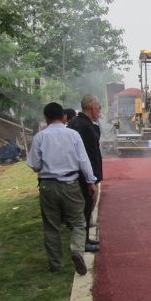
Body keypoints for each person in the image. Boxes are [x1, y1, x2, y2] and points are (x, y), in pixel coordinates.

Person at [26, 102, 97, 275]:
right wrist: (91, 181)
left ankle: (56, 264)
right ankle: (77, 251)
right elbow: (83, 160)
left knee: (51, 226)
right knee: (78, 222)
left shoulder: (40, 137)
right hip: (70, 184)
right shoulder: (72, 135)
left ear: (46, 118)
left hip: (47, 186)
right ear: (64, 117)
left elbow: (34, 165)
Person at [67, 94, 103, 250]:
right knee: (85, 208)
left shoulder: (78, 123)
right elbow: (87, 156)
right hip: (84, 176)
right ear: (92, 107)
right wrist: (91, 179)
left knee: (85, 209)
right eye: (99, 107)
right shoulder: (85, 126)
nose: (100, 110)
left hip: (80, 174)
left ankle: (85, 238)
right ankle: (83, 242)